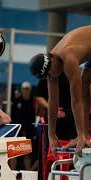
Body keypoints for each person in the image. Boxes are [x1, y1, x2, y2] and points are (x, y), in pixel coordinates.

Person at [29, 25, 91, 156]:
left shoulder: (69, 59)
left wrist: (79, 136)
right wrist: (52, 135)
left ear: (51, 60)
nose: (51, 76)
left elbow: (76, 100)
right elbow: (53, 102)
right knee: (85, 81)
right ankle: (85, 134)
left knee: (85, 85)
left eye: (49, 73)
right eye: (47, 76)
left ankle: (83, 135)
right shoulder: (51, 67)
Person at [35, 72, 77, 140]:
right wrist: (52, 108)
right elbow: (38, 95)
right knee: (52, 142)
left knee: (70, 143)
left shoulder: (72, 72)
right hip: (52, 117)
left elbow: (78, 99)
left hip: (71, 116)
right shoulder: (48, 74)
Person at [10, 82, 36, 170]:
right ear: (21, 89)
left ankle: (28, 173)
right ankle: (12, 173)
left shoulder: (33, 101)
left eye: (27, 89)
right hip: (17, 130)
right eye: (24, 89)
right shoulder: (17, 101)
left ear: (30, 90)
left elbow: (34, 117)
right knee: (13, 153)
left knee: (27, 153)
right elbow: (13, 116)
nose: (25, 91)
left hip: (28, 131)